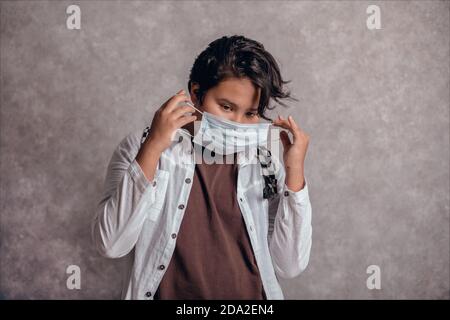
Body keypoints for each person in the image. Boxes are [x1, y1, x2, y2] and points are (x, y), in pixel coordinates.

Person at [91, 35, 312, 300]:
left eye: (250, 113)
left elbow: (289, 265)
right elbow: (111, 244)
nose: (238, 123)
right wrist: (152, 148)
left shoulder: (265, 162)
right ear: (196, 93)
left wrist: (294, 171)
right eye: (226, 107)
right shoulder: (142, 147)